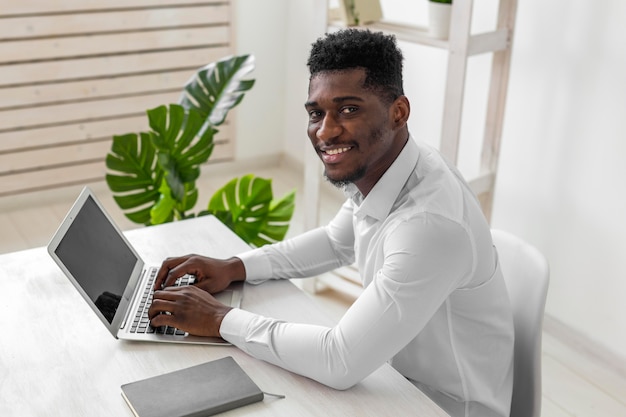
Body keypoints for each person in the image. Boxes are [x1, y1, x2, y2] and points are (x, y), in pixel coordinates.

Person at [148, 29, 514, 417]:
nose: (325, 131)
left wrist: (220, 319)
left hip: (439, 405)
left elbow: (340, 361)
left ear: (399, 112)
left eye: (349, 109)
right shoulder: (396, 167)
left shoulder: (427, 224)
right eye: (315, 113)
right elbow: (336, 241)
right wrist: (235, 267)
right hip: (390, 378)